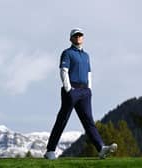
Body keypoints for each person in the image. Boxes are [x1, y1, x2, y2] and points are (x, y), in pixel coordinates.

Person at [44, 28, 117, 160]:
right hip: (72, 90)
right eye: (75, 36)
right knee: (62, 119)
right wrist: (68, 89)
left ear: (83, 38)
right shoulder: (67, 53)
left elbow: (89, 73)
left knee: (88, 120)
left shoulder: (86, 55)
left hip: (85, 91)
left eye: (80, 35)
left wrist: (89, 89)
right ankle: (50, 150)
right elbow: (64, 71)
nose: (78, 37)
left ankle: (101, 148)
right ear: (71, 39)